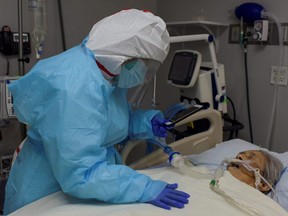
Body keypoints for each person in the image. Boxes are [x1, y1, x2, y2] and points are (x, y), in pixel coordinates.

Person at [4, 9, 190, 214]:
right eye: (144, 64)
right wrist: (144, 187)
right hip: (47, 189)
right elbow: (82, 173)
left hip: (77, 181)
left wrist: (144, 123)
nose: (144, 72)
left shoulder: (106, 75)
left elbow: (105, 122)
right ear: (124, 57)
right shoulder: (76, 88)